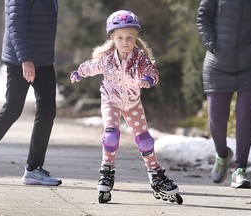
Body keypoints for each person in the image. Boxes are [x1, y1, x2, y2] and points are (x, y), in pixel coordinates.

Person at [70, 10, 181, 203]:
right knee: (111, 136)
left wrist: (148, 78)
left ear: (136, 36)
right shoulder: (106, 58)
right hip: (110, 100)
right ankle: (107, 170)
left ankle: (156, 175)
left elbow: (151, 69)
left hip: (132, 103)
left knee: (145, 140)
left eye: (130, 37)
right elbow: (91, 66)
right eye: (120, 37)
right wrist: (79, 73)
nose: (125, 42)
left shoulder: (139, 57)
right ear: (112, 37)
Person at [0, 0, 62, 186]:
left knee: (47, 111)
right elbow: (15, 24)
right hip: (21, 60)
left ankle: (33, 169)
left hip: (43, 59)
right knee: (12, 109)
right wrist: (25, 59)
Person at [197, 0, 251, 188]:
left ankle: (240, 170)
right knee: (216, 119)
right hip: (218, 64)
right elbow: (203, 18)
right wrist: (211, 44)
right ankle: (222, 154)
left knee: (245, 117)